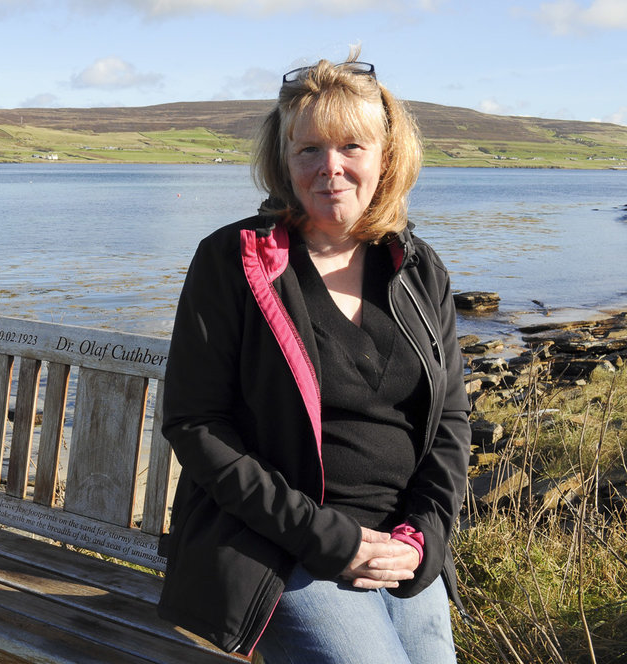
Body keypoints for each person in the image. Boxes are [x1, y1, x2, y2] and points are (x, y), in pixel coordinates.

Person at [156, 51, 471, 664]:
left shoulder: (420, 269)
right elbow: (195, 425)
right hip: (277, 545)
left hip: (400, 544)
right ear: (284, 159)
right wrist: (330, 539)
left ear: (387, 156)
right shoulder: (233, 261)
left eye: (352, 146)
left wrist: (423, 538)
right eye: (310, 150)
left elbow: (450, 425)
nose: (331, 168)